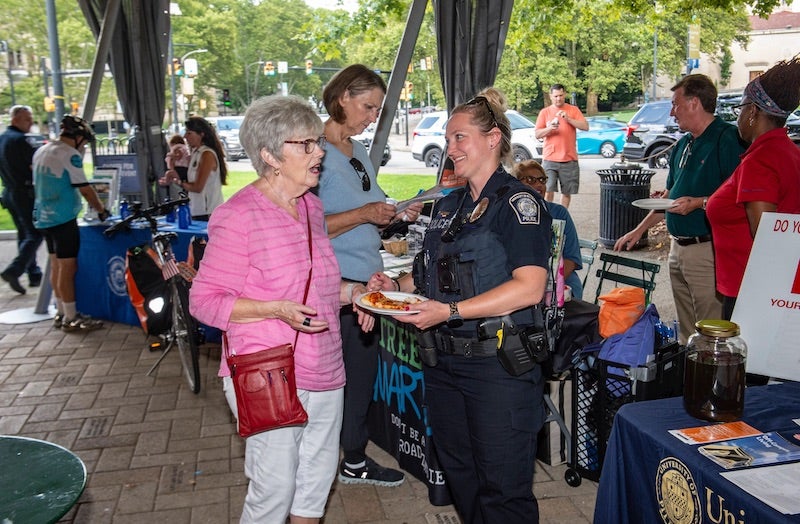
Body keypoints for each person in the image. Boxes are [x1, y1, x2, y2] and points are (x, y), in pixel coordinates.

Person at [189, 95, 375, 524]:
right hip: (267, 368)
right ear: (270, 156)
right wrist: (275, 309)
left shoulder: (310, 206)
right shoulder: (238, 216)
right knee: (274, 489)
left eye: (317, 143)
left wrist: (359, 293)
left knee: (314, 482)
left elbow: (321, 286)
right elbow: (204, 300)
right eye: (306, 144)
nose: (319, 152)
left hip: (325, 365)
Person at [370, 87, 552, 523]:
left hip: (498, 368)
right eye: (448, 139)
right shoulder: (451, 205)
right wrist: (390, 285)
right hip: (445, 366)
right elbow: (427, 273)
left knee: (503, 489)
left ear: (493, 139)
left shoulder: (518, 203)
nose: (450, 149)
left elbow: (530, 287)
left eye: (460, 138)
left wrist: (448, 312)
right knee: (462, 476)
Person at [315, 63, 422, 487]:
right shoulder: (314, 150)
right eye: (367, 106)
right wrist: (363, 213)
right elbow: (306, 226)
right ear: (343, 97)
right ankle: (348, 460)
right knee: (343, 381)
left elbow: (367, 218)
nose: (372, 116)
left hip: (367, 280)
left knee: (359, 378)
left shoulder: (356, 152)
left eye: (377, 109)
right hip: (336, 286)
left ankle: (350, 455)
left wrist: (394, 215)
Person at [614, 74, 746, 344]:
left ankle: (713, 385)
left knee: (711, 333)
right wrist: (638, 231)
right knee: (686, 332)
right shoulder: (683, 144)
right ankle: (689, 382)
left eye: (675, 104)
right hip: (678, 249)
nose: (672, 112)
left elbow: (738, 196)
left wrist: (697, 203)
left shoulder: (727, 137)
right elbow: (671, 200)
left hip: (707, 249)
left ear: (695, 102)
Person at [707, 57, 800, 320]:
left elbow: (766, 236)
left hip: (753, 291)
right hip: (779, 285)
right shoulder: (788, 152)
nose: (738, 117)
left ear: (753, 112)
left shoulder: (760, 161)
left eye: (740, 109)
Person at [33, 115, 109, 332]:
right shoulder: (70, 154)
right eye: (84, 141)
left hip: (43, 218)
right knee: (68, 267)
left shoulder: (42, 150)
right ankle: (71, 317)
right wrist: (102, 210)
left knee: (56, 265)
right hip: (63, 217)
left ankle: (60, 312)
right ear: (77, 137)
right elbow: (85, 189)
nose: (84, 145)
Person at [513, 159, 584, 300]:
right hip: (521, 287)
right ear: (516, 185)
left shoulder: (559, 213)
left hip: (562, 287)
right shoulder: (511, 215)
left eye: (542, 180)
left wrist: (546, 286)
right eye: (530, 180)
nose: (539, 184)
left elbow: (571, 259)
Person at [0, 105, 43, 294]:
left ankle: (32, 272)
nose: (31, 122)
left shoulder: (2, 139)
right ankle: (15, 269)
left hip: (9, 192)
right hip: (23, 192)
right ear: (15, 120)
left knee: (24, 234)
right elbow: (35, 166)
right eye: (27, 119)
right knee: (35, 233)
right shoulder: (21, 141)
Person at [534, 83, 588, 208]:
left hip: (569, 159)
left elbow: (585, 126)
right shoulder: (545, 112)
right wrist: (549, 128)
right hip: (550, 158)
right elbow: (537, 134)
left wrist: (568, 119)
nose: (558, 98)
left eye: (561, 95)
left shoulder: (573, 110)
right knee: (547, 190)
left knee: (567, 192)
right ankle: (548, 215)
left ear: (565, 95)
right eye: (556, 96)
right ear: (551, 96)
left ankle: (562, 218)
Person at [163, 116, 226, 221]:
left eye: (189, 133)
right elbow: (192, 180)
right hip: (197, 209)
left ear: (201, 134)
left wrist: (179, 182)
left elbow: (198, 187)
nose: (185, 137)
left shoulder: (207, 154)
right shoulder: (196, 153)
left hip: (208, 212)